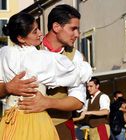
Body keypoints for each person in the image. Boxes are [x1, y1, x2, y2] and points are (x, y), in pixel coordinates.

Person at [0, 12, 92, 140]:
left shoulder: (75, 57)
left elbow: (78, 101)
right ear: (56, 27)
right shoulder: (37, 56)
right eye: (73, 29)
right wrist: (7, 88)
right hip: (22, 123)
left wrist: (46, 102)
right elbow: (80, 73)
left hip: (59, 125)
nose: (77, 34)